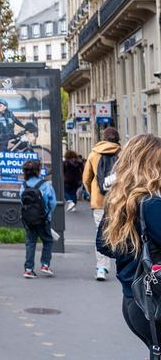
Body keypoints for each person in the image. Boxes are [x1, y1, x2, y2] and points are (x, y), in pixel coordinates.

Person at [97, 133, 161, 354]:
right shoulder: (151, 205)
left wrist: (137, 246)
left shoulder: (119, 201)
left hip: (133, 300)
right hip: (155, 301)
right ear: (152, 166)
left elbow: (104, 245)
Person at [84, 126, 122, 280]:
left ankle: (101, 268)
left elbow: (86, 178)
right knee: (120, 232)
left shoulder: (94, 154)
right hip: (118, 200)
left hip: (99, 202)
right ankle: (122, 265)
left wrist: (92, 193)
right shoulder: (123, 153)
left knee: (101, 234)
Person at [19, 159, 55, 278]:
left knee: (30, 243)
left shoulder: (24, 185)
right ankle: (45, 265)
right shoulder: (45, 185)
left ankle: (28, 269)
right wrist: (48, 215)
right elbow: (52, 203)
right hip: (42, 218)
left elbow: (21, 200)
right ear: (39, 171)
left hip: (28, 219)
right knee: (48, 241)